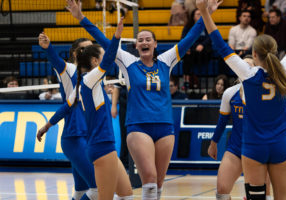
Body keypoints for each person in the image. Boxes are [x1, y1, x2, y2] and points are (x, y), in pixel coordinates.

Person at [66, 0, 222, 199]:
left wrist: (206, 13)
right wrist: (81, 18)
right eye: (140, 40)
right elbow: (104, 42)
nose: (144, 42)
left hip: (165, 127)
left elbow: (190, 38)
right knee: (149, 176)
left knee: (157, 183)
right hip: (138, 127)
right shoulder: (128, 62)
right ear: (136, 45)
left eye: (148, 39)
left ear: (155, 44)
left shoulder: (166, 61)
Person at [197, 0, 286, 199]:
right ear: (274, 53)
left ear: (254, 54)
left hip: (253, 146)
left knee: (256, 197)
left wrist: (204, 12)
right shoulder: (283, 70)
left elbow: (221, 45)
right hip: (280, 146)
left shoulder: (248, 74)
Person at [39, 19, 133, 200]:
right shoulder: (87, 78)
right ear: (93, 59)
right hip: (92, 142)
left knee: (124, 194)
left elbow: (65, 107)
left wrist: (47, 126)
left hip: (98, 142)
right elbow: (108, 58)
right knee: (98, 192)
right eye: (85, 48)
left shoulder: (84, 83)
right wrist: (116, 36)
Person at [208, 57, 286, 200]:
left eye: (249, 64)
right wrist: (213, 143)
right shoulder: (230, 93)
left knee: (264, 195)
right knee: (221, 191)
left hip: (259, 149)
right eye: (242, 63)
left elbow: (277, 125)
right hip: (236, 149)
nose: (244, 66)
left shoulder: (265, 93)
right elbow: (222, 121)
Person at [37, 34, 97, 200]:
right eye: (84, 48)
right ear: (76, 53)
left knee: (81, 191)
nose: (89, 51)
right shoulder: (69, 70)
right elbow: (56, 60)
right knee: (98, 189)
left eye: (91, 47)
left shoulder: (94, 74)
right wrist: (48, 48)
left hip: (89, 135)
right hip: (75, 136)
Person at [181, 8, 213, 89]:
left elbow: (210, 37)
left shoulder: (207, 25)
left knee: (199, 53)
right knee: (187, 54)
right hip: (192, 50)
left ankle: (196, 79)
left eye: (201, 14)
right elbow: (184, 39)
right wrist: (194, 47)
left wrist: (202, 45)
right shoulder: (188, 27)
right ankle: (187, 80)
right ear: (193, 17)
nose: (200, 16)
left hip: (204, 51)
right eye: (198, 14)